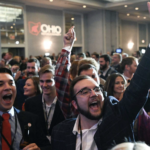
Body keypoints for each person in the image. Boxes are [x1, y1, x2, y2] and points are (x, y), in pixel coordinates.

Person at [51, 35, 150, 150]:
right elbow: (60, 82)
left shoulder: (118, 117)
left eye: (97, 89)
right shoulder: (61, 132)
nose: (93, 94)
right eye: (85, 91)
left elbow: (138, 88)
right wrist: (67, 47)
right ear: (74, 104)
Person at [0, 67, 50, 150]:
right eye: (0, 84)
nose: (8, 87)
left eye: (11, 83)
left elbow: (47, 146)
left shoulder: (31, 119)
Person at [25, 65, 65, 143]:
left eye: (48, 81)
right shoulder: (30, 103)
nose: (44, 85)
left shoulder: (64, 104)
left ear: (56, 81)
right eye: (42, 81)